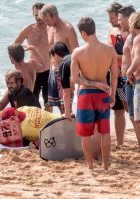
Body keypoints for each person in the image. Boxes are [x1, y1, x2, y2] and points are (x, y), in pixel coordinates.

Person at [71, 17, 117, 170]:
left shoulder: (78, 52)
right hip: (103, 94)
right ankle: (105, 166)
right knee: (105, 132)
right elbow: (115, 76)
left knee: (86, 134)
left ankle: (90, 166)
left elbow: (75, 79)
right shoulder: (110, 50)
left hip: (85, 96)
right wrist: (112, 94)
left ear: (83, 33)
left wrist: (92, 83)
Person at [50, 42, 111, 119]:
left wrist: (67, 113)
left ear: (56, 55)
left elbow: (66, 92)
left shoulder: (64, 63)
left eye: (52, 57)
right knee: (100, 125)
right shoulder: (79, 56)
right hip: (105, 85)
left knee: (87, 124)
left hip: (91, 93)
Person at [14, 3, 51, 112]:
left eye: (40, 15)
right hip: (33, 72)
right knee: (31, 103)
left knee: (48, 102)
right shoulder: (28, 29)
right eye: (36, 15)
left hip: (49, 70)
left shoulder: (51, 29)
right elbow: (14, 46)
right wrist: (21, 65)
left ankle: (47, 126)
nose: (38, 18)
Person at [106, 2, 127, 147]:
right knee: (118, 110)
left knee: (131, 109)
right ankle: (120, 143)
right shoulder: (111, 31)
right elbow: (110, 52)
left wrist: (115, 57)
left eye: (112, 18)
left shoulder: (131, 32)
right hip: (116, 75)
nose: (111, 21)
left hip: (129, 75)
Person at [119, 6, 138, 147]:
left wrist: (131, 72)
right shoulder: (129, 37)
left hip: (132, 80)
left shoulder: (135, 38)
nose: (119, 22)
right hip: (127, 80)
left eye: (121, 19)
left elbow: (137, 59)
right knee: (132, 115)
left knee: (134, 116)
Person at [126, 12, 140, 151]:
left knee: (137, 119)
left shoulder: (138, 39)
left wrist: (129, 72)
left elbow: (137, 60)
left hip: (139, 83)